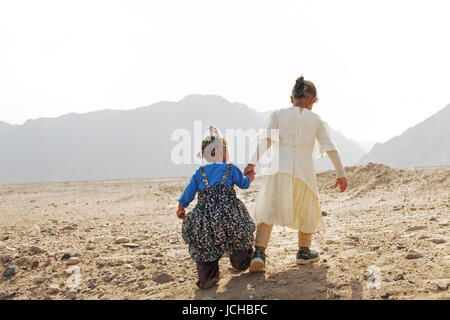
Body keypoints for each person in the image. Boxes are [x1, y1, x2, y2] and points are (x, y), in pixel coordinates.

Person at [244, 76, 347, 272]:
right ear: (312, 101)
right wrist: (340, 174)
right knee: (307, 209)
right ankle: (303, 252)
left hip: (277, 171)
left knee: (268, 209)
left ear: (292, 98)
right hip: (304, 173)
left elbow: (266, 140)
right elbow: (330, 148)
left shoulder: (278, 115)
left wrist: (251, 162)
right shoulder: (316, 120)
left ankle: (259, 254)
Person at [177, 125, 256, 289]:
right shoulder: (230, 169)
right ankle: (240, 263)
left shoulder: (199, 173)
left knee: (205, 245)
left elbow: (189, 192)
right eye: (225, 150)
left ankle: (207, 277)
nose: (228, 154)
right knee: (238, 239)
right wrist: (249, 177)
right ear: (216, 152)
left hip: (206, 219)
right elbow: (243, 184)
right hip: (230, 216)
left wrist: (181, 206)